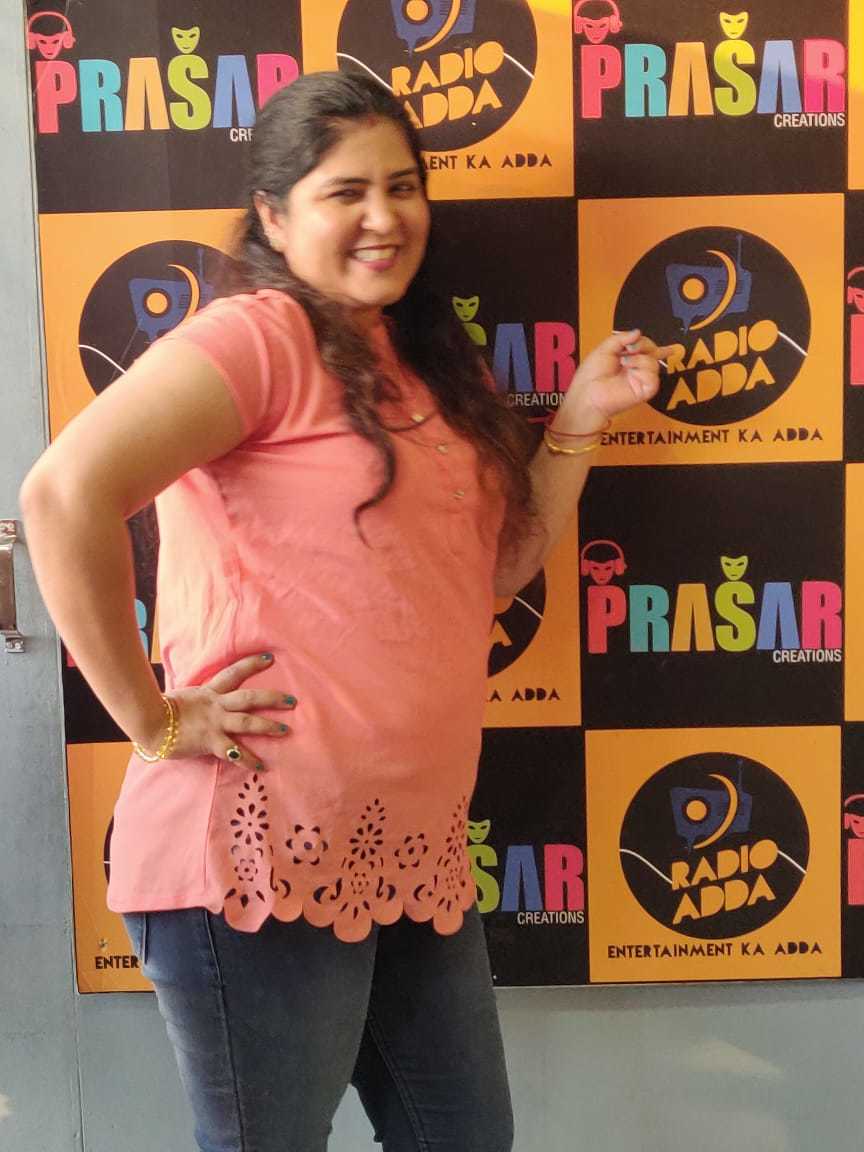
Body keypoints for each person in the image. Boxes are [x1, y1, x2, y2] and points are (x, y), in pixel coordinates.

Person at [21, 72, 671, 1152]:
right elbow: (62, 495)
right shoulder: (260, 336)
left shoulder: (422, 365)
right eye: (346, 192)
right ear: (274, 216)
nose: (385, 216)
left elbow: (493, 574)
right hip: (262, 852)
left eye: (403, 186)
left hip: (414, 856)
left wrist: (579, 422)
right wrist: (152, 720)